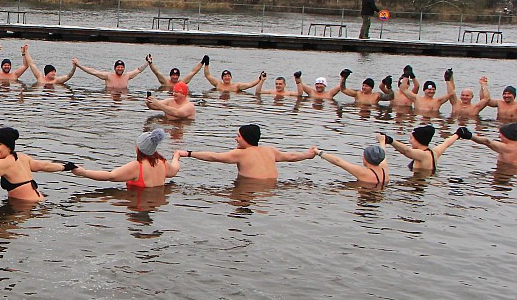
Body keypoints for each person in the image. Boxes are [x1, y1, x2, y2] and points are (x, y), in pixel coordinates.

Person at [180, 124, 316, 179]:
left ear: (246, 138)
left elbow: (215, 157)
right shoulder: (270, 150)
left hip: (250, 188)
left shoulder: (241, 154)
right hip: (271, 190)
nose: (236, 139)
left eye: (238, 136)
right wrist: (308, 155)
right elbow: (291, 156)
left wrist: (189, 153)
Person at [71, 128, 182, 188]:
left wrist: (83, 172)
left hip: (138, 202)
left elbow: (111, 176)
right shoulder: (162, 163)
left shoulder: (137, 166)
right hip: (154, 205)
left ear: (138, 148)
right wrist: (176, 157)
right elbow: (175, 170)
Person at [379, 124, 462, 172]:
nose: (410, 141)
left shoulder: (422, 155)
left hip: (417, 184)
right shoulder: (434, 152)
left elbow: (406, 151)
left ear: (418, 140)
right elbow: (446, 143)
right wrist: (457, 134)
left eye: (412, 138)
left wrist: (390, 141)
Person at [312, 136, 390, 186]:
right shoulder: (384, 169)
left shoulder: (363, 172)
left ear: (366, 159)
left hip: (366, 197)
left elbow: (337, 161)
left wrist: (318, 152)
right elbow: (384, 153)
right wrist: (382, 141)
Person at [72, 57, 148, 91]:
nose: (120, 69)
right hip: (109, 97)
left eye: (122, 67)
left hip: (123, 96)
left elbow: (138, 70)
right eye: (118, 67)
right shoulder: (108, 76)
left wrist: (148, 62)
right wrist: (79, 65)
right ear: (115, 68)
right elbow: (93, 72)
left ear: (124, 68)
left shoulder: (127, 76)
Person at [201, 58, 266, 93]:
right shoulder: (218, 84)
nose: (227, 78)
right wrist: (206, 64)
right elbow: (207, 75)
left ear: (231, 77)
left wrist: (260, 78)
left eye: (228, 76)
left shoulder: (236, 86)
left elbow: (250, 84)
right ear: (222, 78)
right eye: (225, 76)